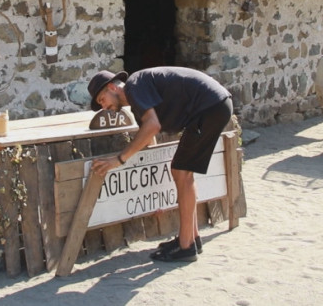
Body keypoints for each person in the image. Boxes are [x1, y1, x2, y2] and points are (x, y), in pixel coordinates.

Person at [89, 67, 233, 262]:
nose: (104, 107)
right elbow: (149, 137)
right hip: (212, 105)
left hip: (209, 106)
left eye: (101, 100)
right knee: (183, 173)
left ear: (112, 88)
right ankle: (192, 238)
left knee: (181, 173)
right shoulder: (137, 100)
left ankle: (186, 246)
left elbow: (153, 126)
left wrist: (119, 159)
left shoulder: (134, 86)